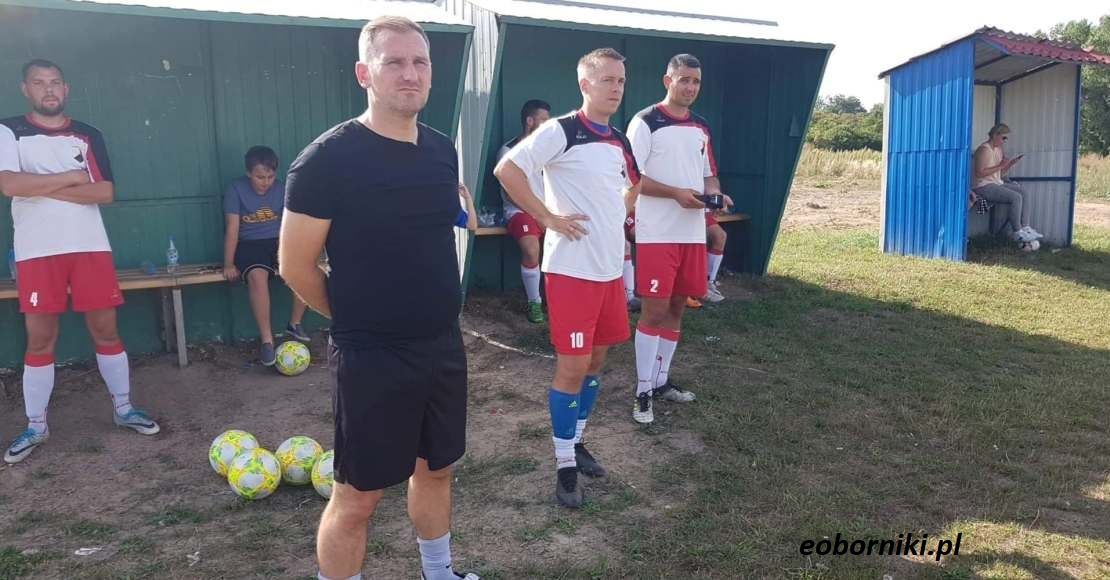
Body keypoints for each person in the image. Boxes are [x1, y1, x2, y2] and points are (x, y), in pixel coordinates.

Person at [279, 17, 478, 580]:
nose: (409, 74)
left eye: (420, 62)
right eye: (394, 62)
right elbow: (294, 265)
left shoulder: (441, 150)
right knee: (357, 497)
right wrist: (355, 318)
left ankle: (439, 573)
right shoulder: (326, 160)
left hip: (440, 344)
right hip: (370, 354)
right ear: (365, 73)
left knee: (436, 470)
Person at [495, 47, 640, 508]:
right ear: (585, 84)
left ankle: (576, 442)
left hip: (609, 271)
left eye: (621, 80)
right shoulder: (562, 129)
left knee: (596, 363)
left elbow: (633, 184)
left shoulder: (619, 139)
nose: (615, 88)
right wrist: (548, 217)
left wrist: (615, 218)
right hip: (571, 272)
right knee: (572, 368)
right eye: (607, 80)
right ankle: (563, 466)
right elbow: (507, 170)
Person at [0, 59, 160, 464]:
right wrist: (71, 178)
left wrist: (40, 186)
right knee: (40, 338)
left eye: (55, 82)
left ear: (66, 88)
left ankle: (124, 409)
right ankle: (36, 425)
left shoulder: (88, 134)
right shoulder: (9, 130)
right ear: (25, 89)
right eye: (39, 82)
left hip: (90, 246)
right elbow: (10, 184)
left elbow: (104, 192)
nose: (48, 89)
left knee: (106, 330)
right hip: (37, 251)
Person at [626, 53, 732, 423]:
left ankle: (660, 381)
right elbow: (630, 176)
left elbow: (708, 174)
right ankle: (642, 392)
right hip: (657, 233)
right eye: (683, 79)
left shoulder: (701, 126)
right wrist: (674, 194)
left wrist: (714, 196)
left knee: (676, 308)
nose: (690, 87)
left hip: (691, 233)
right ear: (667, 80)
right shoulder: (645, 122)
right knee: (654, 311)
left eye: (696, 81)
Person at [223, 146, 310, 366]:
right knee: (257, 276)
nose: (266, 182)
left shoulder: (281, 188)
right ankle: (267, 341)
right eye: (260, 177)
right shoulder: (235, 189)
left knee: (304, 268)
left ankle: (295, 323)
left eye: (270, 177)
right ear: (248, 173)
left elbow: (292, 223)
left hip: (278, 242)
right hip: (250, 244)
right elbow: (232, 228)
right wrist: (228, 264)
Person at [496, 100, 550, 323]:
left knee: (567, 245)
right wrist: (539, 215)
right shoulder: (509, 151)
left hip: (547, 212)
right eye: (543, 120)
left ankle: (558, 300)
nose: (547, 125)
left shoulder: (549, 150)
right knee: (531, 248)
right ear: (530, 121)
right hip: (519, 210)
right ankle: (534, 303)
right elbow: (511, 194)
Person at [972, 123, 1044, 245]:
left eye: (1006, 138)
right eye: (1003, 138)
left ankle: (1025, 227)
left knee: (1024, 193)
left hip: (996, 183)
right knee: (1016, 197)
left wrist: (1009, 165)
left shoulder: (999, 150)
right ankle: (1018, 232)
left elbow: (1000, 174)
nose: (1004, 141)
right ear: (995, 135)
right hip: (982, 186)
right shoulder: (984, 150)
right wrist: (1000, 165)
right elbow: (979, 173)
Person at [703, 210, 727, 302]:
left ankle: (709, 281)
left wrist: (718, 206)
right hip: (690, 211)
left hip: (704, 211)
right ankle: (701, 285)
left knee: (720, 236)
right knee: (700, 238)